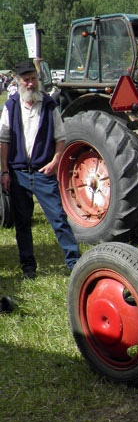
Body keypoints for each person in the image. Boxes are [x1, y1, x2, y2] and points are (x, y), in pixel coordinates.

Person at [0, 59, 80, 279]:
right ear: (18, 81)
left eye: (33, 79)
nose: (31, 83)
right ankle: (28, 267)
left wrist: (55, 162)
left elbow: (60, 137)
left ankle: (74, 263)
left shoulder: (49, 105)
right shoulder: (11, 106)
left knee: (59, 219)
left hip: (43, 172)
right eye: (26, 80)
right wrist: (4, 171)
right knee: (23, 223)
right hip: (18, 174)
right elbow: (4, 140)